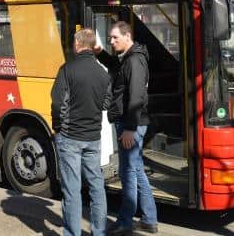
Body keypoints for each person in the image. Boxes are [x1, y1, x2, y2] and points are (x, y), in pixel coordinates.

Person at [95, 21, 158, 236]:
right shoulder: (129, 58)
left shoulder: (135, 61)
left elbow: (137, 96)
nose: (112, 42)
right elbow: (115, 65)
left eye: (115, 38)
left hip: (131, 124)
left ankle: (125, 222)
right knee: (136, 170)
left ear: (127, 35)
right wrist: (99, 52)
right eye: (110, 38)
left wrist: (130, 128)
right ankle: (149, 219)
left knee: (127, 173)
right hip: (131, 122)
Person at [51, 28, 111, 236]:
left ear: (77, 44)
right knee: (97, 186)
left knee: (72, 189)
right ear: (93, 45)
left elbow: (58, 103)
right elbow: (106, 103)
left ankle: (72, 233)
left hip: (70, 138)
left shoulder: (67, 69)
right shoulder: (103, 73)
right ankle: (99, 231)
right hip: (93, 138)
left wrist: (59, 128)